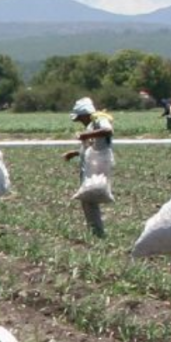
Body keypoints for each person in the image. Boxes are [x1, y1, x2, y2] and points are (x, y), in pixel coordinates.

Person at [62, 97, 114, 238]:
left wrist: (86, 134)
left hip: (98, 166)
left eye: (80, 118)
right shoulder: (92, 124)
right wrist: (76, 153)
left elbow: (108, 130)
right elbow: (93, 146)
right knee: (87, 198)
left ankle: (97, 233)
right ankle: (94, 231)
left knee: (90, 197)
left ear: (85, 114)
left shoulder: (99, 119)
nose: (79, 121)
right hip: (93, 164)